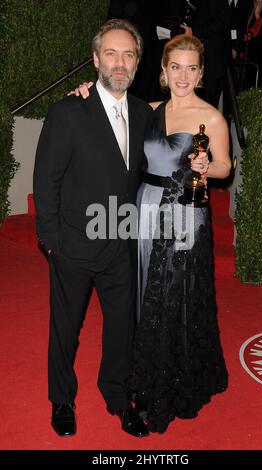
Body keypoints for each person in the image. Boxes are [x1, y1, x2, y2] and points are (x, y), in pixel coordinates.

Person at [74, 33, 231, 433]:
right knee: (141, 290)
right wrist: (87, 91)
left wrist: (205, 168)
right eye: (174, 66)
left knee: (172, 294)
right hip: (142, 208)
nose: (182, 75)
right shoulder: (148, 110)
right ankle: (138, 371)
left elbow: (225, 168)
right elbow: (109, 108)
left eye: (191, 68)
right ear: (163, 71)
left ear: (201, 73)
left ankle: (166, 381)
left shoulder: (210, 117)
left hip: (183, 214)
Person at [33, 18, 154, 438]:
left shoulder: (144, 113)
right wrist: (52, 240)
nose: (119, 63)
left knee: (123, 327)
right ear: (96, 59)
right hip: (74, 244)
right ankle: (62, 400)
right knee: (66, 327)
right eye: (111, 53)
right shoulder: (68, 111)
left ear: (138, 62)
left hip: (121, 241)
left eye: (128, 54)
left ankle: (118, 397)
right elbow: (45, 178)